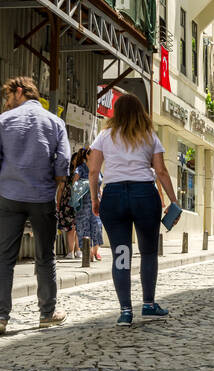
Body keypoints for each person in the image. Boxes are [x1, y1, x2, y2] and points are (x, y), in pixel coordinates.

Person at [0, 76, 71, 334]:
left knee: (5, 258)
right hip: (42, 197)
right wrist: (56, 186)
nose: (7, 102)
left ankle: (0, 317)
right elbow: (63, 161)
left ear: (19, 91)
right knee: (45, 256)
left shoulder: (1, 122)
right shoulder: (55, 122)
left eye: (9, 96)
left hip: (9, 196)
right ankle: (47, 313)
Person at [87, 93, 178, 326]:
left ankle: (125, 312)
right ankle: (148, 304)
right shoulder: (149, 136)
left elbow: (93, 171)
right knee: (148, 252)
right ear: (140, 112)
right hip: (144, 194)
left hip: (113, 195)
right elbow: (161, 171)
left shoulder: (104, 136)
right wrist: (173, 200)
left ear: (116, 113)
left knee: (121, 253)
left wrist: (95, 198)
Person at [69, 148, 103, 260]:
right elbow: (74, 184)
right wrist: (88, 183)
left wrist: (102, 196)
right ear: (87, 156)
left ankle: (95, 251)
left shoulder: (97, 168)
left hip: (96, 203)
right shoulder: (80, 169)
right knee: (84, 228)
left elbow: (99, 185)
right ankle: (88, 253)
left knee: (97, 226)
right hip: (84, 204)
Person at [57, 169, 79, 258]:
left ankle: (71, 252)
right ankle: (77, 251)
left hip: (68, 203)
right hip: (78, 203)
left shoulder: (65, 175)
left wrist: (58, 204)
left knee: (71, 228)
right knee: (76, 227)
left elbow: (60, 190)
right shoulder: (82, 172)